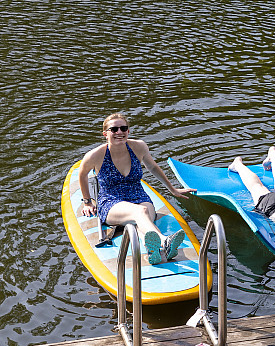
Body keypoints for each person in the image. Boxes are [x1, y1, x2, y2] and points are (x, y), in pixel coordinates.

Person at [77, 112, 195, 264]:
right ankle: (165, 241)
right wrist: (87, 201)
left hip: (139, 195)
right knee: (141, 212)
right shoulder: (96, 155)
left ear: (128, 131)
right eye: (114, 130)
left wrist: (172, 189)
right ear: (106, 134)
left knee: (142, 220)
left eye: (123, 128)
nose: (119, 132)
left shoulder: (138, 147)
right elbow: (82, 174)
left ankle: (153, 251)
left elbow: (152, 167)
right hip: (112, 201)